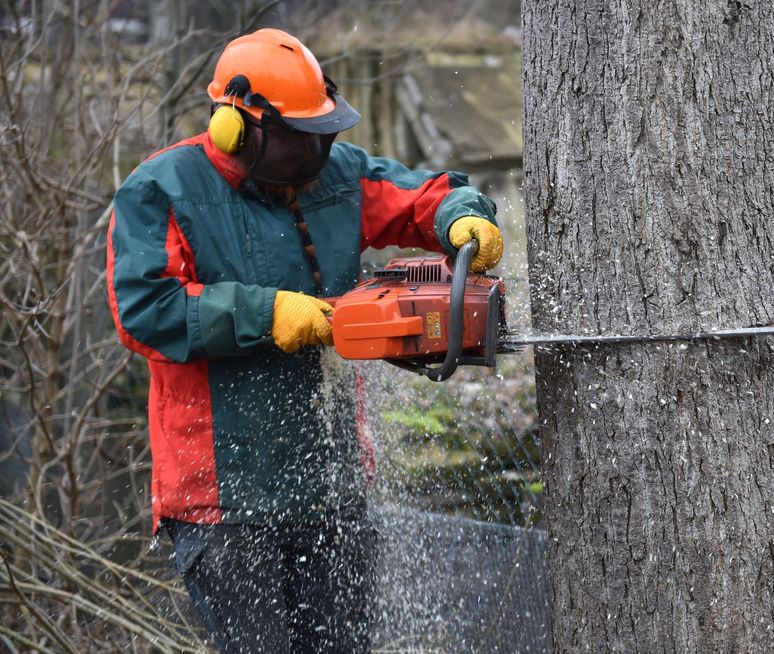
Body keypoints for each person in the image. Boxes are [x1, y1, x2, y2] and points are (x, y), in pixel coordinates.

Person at [106, 28, 502, 653]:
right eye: (298, 137)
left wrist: (464, 215)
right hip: (225, 502)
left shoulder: (335, 175)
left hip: (330, 482)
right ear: (240, 126)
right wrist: (267, 314)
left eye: (322, 132)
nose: (315, 150)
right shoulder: (162, 190)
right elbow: (143, 310)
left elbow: (421, 197)